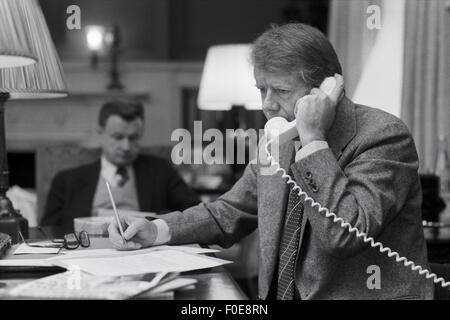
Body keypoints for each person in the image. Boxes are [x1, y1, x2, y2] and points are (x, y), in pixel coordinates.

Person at [108, 23, 433, 300]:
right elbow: (227, 213)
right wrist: (156, 229)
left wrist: (313, 142)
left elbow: (343, 236)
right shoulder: (277, 140)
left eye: (279, 90)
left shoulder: (384, 136)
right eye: (261, 89)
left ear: (326, 89)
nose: (266, 105)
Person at [42, 100, 199, 231]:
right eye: (118, 137)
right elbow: (48, 231)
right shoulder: (67, 180)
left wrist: (156, 221)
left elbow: (194, 214)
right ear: (100, 133)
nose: (126, 146)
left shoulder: (161, 171)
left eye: (133, 138)